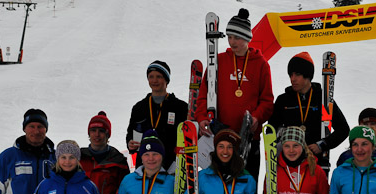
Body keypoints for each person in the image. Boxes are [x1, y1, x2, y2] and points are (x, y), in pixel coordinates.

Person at [195, 8, 274, 182]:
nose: (232, 41)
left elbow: (267, 101)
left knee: (247, 186)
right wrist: (202, 117)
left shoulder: (261, 65)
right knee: (221, 187)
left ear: (247, 38)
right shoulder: (218, 61)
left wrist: (256, 118)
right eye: (229, 37)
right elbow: (204, 95)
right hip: (220, 137)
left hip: (248, 139)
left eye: (237, 37)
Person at [269, 52, 350, 174]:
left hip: (316, 164)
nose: (293, 79)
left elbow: (343, 129)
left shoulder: (323, 99)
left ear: (308, 76)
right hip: (288, 164)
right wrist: (281, 139)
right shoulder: (283, 100)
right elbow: (271, 130)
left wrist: (322, 145)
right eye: (290, 74)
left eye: (297, 74)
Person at [126, 60, 188, 172]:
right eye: (151, 77)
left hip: (172, 167)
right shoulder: (139, 108)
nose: (154, 80)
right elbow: (130, 134)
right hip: (145, 166)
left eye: (159, 76)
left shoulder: (180, 107)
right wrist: (130, 143)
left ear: (166, 79)